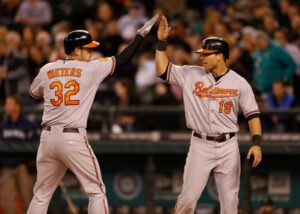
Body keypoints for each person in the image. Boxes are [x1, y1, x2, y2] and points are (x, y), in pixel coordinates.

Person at [27, 14, 159, 214]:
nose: (91, 52)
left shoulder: (47, 69)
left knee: (41, 194)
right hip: (72, 138)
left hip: (46, 138)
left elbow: (33, 94)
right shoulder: (91, 69)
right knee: (96, 191)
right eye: (88, 49)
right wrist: (140, 35)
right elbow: (124, 59)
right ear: (76, 50)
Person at [155, 16, 263, 214]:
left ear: (220, 56)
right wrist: (162, 42)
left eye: (207, 54)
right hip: (200, 144)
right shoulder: (190, 73)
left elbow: (252, 114)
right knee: (187, 199)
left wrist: (256, 143)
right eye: (201, 54)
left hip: (228, 145)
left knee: (230, 203)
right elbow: (162, 70)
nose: (201, 57)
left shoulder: (239, 82)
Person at [0, 95, 39, 214]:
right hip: (7, 167)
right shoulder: (3, 126)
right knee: (8, 201)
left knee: (28, 199)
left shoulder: (28, 124)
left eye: (9, 104)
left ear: (17, 107)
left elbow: (37, 144)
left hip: (23, 166)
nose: (6, 107)